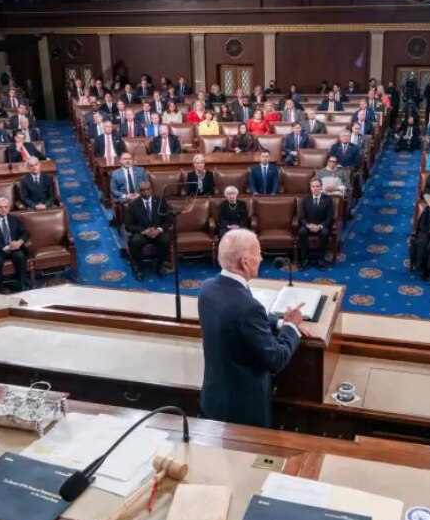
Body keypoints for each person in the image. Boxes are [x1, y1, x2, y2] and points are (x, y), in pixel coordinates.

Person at [197, 229, 303, 428]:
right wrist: (291, 327)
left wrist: (278, 322)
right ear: (245, 262)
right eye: (258, 254)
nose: (261, 259)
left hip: (213, 398)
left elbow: (236, 319)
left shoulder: (206, 288)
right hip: (242, 411)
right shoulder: (248, 308)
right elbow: (275, 359)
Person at [0, 197, 30, 294]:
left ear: (9, 208)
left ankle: (21, 284)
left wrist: (19, 242)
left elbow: (25, 233)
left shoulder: (14, 219)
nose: (3, 209)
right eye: (0, 207)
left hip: (13, 247)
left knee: (20, 256)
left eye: (6, 207)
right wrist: (4, 247)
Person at [125, 181, 171, 280]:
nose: (145, 191)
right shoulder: (133, 205)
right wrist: (143, 231)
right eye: (142, 190)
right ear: (139, 191)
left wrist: (159, 229)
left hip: (157, 232)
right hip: (142, 233)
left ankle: (160, 266)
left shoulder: (160, 201)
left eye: (147, 189)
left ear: (151, 189)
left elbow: (168, 220)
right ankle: (140, 269)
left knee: (166, 239)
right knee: (135, 241)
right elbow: (128, 226)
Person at [297, 178, 334, 270]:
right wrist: (307, 225)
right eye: (313, 186)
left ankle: (320, 259)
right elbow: (302, 217)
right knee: (301, 232)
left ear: (321, 187)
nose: (315, 188)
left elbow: (330, 217)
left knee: (325, 233)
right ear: (310, 188)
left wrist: (320, 226)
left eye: (317, 186)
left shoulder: (328, 199)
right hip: (309, 225)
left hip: (322, 225)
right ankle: (304, 259)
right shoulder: (305, 199)